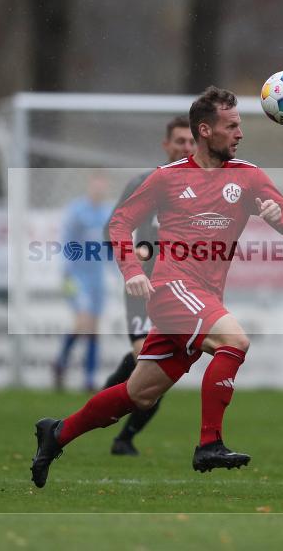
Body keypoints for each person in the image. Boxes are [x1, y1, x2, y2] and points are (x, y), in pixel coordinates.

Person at [31, 87, 283, 488]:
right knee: (235, 341)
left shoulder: (248, 176)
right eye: (232, 126)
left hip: (206, 296)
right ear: (206, 131)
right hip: (173, 288)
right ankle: (209, 443)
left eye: (240, 125)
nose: (240, 133)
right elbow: (119, 223)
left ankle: (57, 433)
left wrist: (279, 215)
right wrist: (132, 271)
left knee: (139, 394)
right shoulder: (166, 179)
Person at [101, 116, 196, 456]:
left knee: (157, 371)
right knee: (147, 357)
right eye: (180, 141)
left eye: (191, 142)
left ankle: (121, 431)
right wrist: (136, 254)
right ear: (166, 145)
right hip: (144, 289)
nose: (186, 147)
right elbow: (112, 230)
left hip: (182, 292)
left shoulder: (205, 188)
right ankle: (108, 416)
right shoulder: (144, 183)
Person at [53, 174, 112, 391]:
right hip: (77, 276)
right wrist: (66, 271)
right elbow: (67, 242)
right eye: (96, 185)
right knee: (83, 321)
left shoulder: (108, 213)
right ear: (89, 186)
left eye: (102, 186)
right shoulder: (77, 211)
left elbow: (111, 248)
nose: (99, 190)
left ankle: (87, 377)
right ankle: (62, 363)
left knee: (93, 328)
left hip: (97, 278)